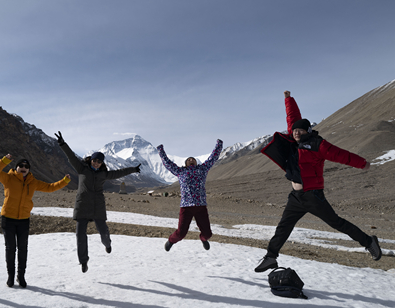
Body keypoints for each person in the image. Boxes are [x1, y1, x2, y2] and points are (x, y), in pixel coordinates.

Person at [254, 91, 381, 273]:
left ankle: (369, 241)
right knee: (283, 227)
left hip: (313, 195)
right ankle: (271, 257)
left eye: (301, 130)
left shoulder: (318, 144)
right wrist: (288, 99)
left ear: (309, 131)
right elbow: (293, 118)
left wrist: (362, 163)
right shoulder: (293, 140)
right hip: (296, 196)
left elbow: (340, 155)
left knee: (337, 223)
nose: (296, 132)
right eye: (295, 130)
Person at [54, 131, 141, 273]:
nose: (96, 163)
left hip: (98, 206)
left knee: (103, 231)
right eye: (95, 160)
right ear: (91, 160)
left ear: (102, 164)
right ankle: (83, 261)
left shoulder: (104, 174)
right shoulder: (82, 169)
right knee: (80, 235)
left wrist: (133, 169)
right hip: (82, 205)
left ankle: (107, 244)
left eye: (99, 162)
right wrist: (63, 144)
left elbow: (120, 172)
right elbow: (71, 157)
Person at [0, 154, 71, 288]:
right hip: (8, 219)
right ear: (16, 167)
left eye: (26, 167)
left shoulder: (33, 182)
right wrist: (4, 160)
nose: (23, 168)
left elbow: (50, 187)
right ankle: (10, 277)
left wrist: (64, 181)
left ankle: (21, 276)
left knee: (23, 249)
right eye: (21, 166)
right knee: (10, 248)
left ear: (29, 169)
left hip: (24, 220)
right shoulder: (8, 178)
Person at [157, 140, 223, 252]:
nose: (191, 160)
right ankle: (171, 241)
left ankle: (203, 239)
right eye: (188, 160)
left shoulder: (202, 169)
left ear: (196, 163)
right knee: (181, 233)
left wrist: (219, 145)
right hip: (186, 207)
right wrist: (161, 151)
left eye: (193, 159)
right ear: (185, 163)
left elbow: (213, 158)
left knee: (208, 234)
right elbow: (168, 163)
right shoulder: (180, 171)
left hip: (201, 206)